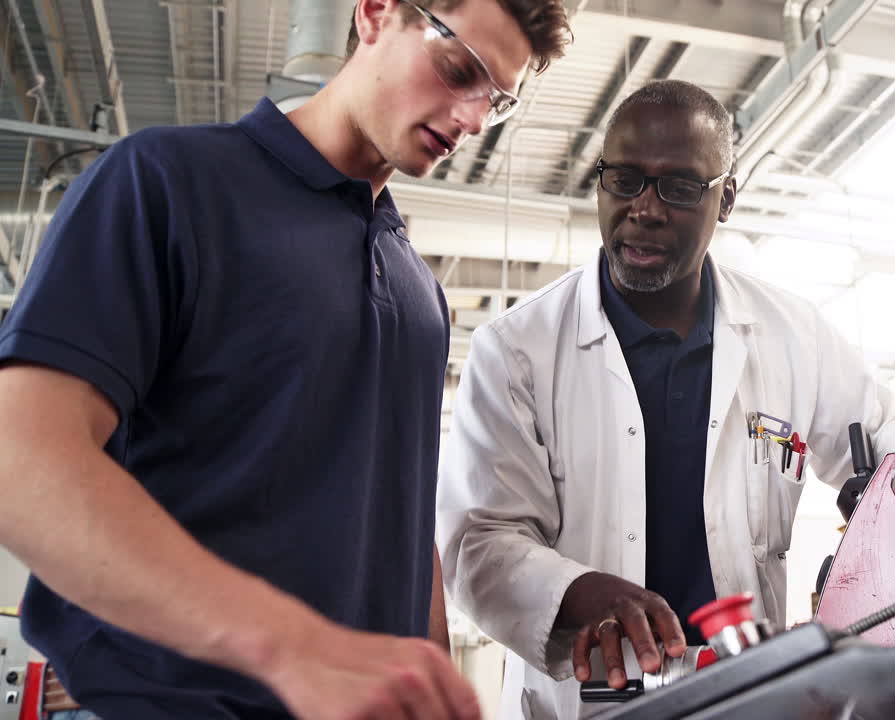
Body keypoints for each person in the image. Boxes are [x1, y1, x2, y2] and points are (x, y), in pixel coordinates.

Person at [0, 1, 570, 718]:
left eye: (497, 101)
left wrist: (433, 679)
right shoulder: (169, 182)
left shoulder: (421, 295)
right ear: (373, 14)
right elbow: (17, 456)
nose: (472, 119)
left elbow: (403, 520)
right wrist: (289, 647)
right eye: (459, 70)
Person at [437, 79, 895, 719]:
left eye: (681, 187)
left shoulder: (793, 337)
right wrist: (577, 589)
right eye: (625, 179)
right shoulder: (518, 350)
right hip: (590, 702)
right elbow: (479, 539)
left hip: (747, 692)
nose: (646, 208)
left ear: (726, 201)